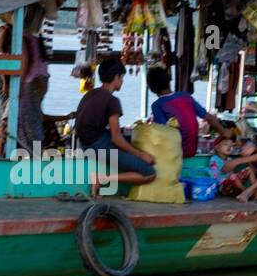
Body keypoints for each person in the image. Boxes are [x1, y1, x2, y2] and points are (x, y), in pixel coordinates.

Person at [75, 57, 156, 193]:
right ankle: (102, 178)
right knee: (149, 173)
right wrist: (141, 155)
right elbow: (116, 138)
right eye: (122, 77)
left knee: (130, 140)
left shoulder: (90, 93)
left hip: (84, 144)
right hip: (97, 146)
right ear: (116, 77)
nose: (122, 81)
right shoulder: (112, 101)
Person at [146, 65, 230, 158]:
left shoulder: (157, 105)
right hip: (192, 150)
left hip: (175, 154)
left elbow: (164, 131)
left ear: (152, 89)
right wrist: (223, 132)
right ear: (169, 81)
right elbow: (209, 117)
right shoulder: (185, 96)